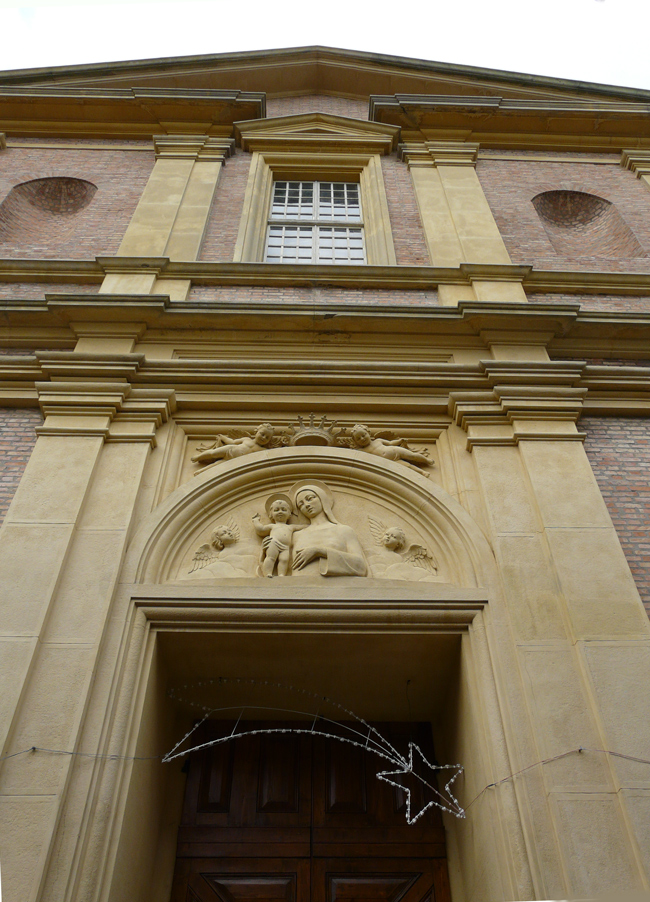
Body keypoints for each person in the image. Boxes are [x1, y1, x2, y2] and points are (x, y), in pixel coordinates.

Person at [290, 482, 368, 577]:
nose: (306, 505)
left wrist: (319, 551)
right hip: (300, 584)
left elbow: (360, 566)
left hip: (336, 585)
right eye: (301, 504)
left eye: (309, 499)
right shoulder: (296, 535)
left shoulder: (344, 530)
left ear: (322, 498)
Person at [253, 495, 307, 577]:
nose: (280, 512)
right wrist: (256, 521)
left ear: (289, 514)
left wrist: (311, 525)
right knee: (271, 558)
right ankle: (267, 573)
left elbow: (302, 527)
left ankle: (281, 575)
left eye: (284, 509)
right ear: (271, 514)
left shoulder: (291, 527)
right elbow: (261, 529)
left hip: (285, 547)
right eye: (276, 510)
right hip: (273, 543)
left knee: (284, 560)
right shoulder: (272, 526)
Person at [349, 424, 431, 473]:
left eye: (363, 435)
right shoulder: (363, 451)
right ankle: (422, 472)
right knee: (407, 466)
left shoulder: (378, 440)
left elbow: (390, 443)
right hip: (391, 461)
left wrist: (399, 441)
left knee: (412, 456)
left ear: (369, 433)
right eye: (358, 439)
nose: (362, 438)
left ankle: (427, 460)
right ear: (356, 442)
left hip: (395, 450)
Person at [192, 423, 274, 466]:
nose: (264, 438)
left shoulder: (262, 450)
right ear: (256, 432)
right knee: (213, 453)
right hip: (230, 449)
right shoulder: (247, 439)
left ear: (269, 441)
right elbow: (233, 442)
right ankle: (198, 457)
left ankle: (200, 472)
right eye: (262, 434)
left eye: (267, 438)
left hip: (235, 461)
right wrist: (224, 438)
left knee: (217, 465)